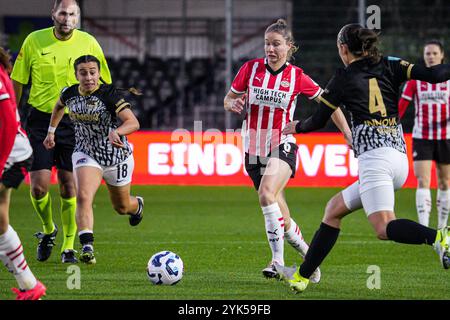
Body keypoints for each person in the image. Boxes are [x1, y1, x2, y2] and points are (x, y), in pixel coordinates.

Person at [274, 24, 450, 293]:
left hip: (375, 162)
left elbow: (318, 120)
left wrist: (296, 127)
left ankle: (440, 237)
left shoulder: (343, 78)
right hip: (399, 160)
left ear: (344, 48)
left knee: (383, 227)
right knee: (333, 210)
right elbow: (435, 74)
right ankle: (301, 276)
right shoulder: (391, 64)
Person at [223, 19, 352, 281]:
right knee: (279, 213)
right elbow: (229, 98)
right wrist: (231, 105)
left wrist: (348, 134)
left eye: (276, 44)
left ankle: (277, 261)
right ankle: (309, 258)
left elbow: (331, 105)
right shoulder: (250, 69)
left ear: (289, 47)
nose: (270, 49)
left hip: (283, 143)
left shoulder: (297, 76)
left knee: (266, 193)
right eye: (267, 44)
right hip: (253, 148)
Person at [11, 0, 112, 264]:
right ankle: (48, 230)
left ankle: (68, 247)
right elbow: (18, 81)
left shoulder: (89, 42)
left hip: (78, 121)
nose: (67, 18)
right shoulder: (34, 41)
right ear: (53, 14)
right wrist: (12, 113)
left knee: (69, 187)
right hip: (40, 120)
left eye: (73, 14)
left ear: (78, 18)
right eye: (63, 13)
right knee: (38, 187)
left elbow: (105, 84)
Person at [43, 55, 143, 264]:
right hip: (86, 153)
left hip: (116, 157)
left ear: (98, 73)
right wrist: (51, 131)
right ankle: (87, 244)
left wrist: (118, 131)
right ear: (76, 74)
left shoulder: (109, 95)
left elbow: (133, 123)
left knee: (122, 207)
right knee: (83, 196)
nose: (88, 77)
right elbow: (58, 106)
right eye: (83, 72)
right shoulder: (69, 93)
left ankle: (137, 206)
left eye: (92, 72)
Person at [0, 47, 47, 300]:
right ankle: (30, 286)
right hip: (6, 152)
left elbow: (7, 122)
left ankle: (30, 284)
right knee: (0, 221)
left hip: (12, 154)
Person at [398, 40, 449, 229]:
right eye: (428, 53)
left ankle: (442, 228)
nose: (431, 56)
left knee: (444, 182)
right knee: (423, 180)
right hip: (422, 136)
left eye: (435, 53)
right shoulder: (415, 80)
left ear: (442, 56)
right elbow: (401, 107)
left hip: (446, 137)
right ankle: (425, 227)